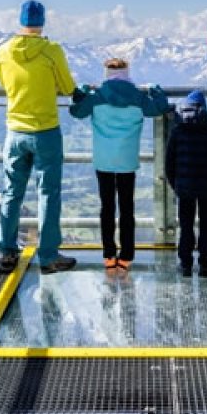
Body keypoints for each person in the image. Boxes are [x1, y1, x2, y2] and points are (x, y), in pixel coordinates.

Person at [0, 0, 78, 274]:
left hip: (15, 131)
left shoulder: (4, 51)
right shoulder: (52, 50)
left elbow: (5, 84)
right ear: (42, 22)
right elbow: (67, 87)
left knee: (11, 192)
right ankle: (49, 256)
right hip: (45, 131)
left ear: (21, 21)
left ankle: (7, 251)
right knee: (48, 194)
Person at [69, 57, 168, 273]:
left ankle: (108, 255)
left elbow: (76, 112)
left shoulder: (97, 96)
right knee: (126, 208)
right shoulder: (138, 96)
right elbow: (159, 108)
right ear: (127, 72)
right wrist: (155, 89)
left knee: (106, 208)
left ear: (106, 73)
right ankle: (126, 256)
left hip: (103, 159)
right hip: (127, 159)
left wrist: (83, 90)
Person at [164, 89, 207, 277]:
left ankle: (185, 264)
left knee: (186, 224)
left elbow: (169, 163)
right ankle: (206, 264)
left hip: (184, 187)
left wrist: (176, 184)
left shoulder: (177, 131)